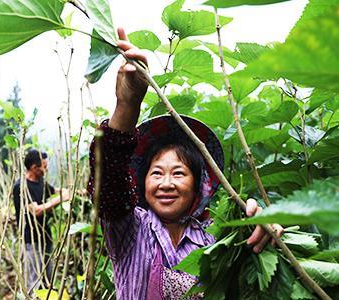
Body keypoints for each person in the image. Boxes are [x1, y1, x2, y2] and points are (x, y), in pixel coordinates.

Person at [87, 28, 284, 299]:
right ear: (142, 183)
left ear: (198, 186)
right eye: (156, 173)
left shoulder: (213, 240)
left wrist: (260, 230)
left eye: (178, 173)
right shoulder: (131, 230)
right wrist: (127, 104)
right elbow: (108, 181)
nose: (166, 183)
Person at [13, 150, 69, 292]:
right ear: (33, 167)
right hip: (31, 240)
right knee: (33, 280)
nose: (47, 169)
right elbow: (36, 211)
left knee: (48, 279)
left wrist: (76, 192)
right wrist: (60, 199)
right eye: (44, 166)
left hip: (46, 236)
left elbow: (54, 190)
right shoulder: (21, 187)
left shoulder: (40, 181)